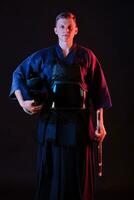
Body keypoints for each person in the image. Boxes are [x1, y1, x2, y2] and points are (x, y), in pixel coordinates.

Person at [9, 11, 112, 200]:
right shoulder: (43, 56)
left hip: (79, 126)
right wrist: (23, 102)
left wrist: (100, 123)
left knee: (78, 179)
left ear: (76, 30)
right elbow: (18, 74)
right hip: (52, 126)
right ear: (55, 30)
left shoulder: (87, 57)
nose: (66, 30)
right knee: (52, 177)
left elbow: (99, 92)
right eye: (62, 27)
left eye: (70, 27)